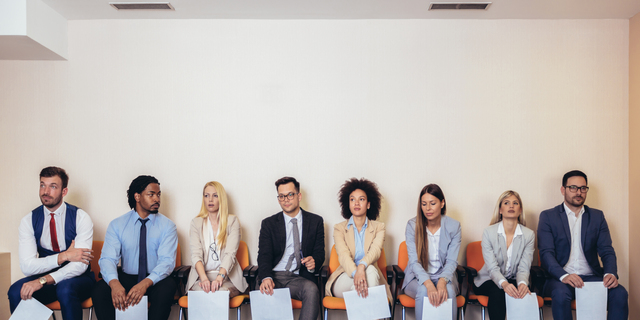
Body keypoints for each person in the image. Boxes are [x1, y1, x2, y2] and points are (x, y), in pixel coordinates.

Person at [538, 170, 628, 320]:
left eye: (583, 188)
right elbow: (546, 254)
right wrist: (564, 276)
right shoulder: (548, 216)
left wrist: (610, 273)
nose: (578, 192)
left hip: (591, 277)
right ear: (563, 190)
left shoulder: (597, 217)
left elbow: (606, 250)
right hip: (559, 280)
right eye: (573, 187)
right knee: (560, 294)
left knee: (620, 293)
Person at [8, 166, 95, 320]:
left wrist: (42, 280)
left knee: (65, 289)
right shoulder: (28, 220)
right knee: (16, 291)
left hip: (78, 279)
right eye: (42, 185)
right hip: (46, 278)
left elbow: (80, 265)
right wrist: (64, 256)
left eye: (53, 186)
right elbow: (27, 267)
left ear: (64, 191)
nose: (45, 191)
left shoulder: (81, 217)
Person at [92, 175, 178, 320]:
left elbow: (167, 262)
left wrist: (145, 283)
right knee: (100, 290)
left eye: (158, 194)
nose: (157, 199)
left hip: (153, 280)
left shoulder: (168, 226)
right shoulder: (117, 225)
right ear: (137, 197)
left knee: (167, 288)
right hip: (126, 278)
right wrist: (115, 284)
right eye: (151, 194)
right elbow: (107, 259)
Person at [257, 176, 325, 320]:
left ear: (299, 196)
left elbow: (319, 253)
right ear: (278, 199)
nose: (286, 199)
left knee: (312, 289)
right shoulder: (268, 224)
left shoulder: (315, 221)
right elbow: (264, 255)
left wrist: (314, 262)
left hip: (298, 277)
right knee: (262, 289)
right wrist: (266, 277)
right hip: (274, 275)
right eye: (282, 196)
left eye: (290, 195)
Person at [325, 178, 392, 302]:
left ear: (368, 204)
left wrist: (361, 266)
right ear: (348, 204)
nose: (356, 203)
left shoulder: (379, 227)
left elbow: (375, 251)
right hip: (345, 276)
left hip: (370, 276)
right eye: (352, 199)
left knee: (370, 271)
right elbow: (343, 255)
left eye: (361, 199)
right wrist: (356, 273)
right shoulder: (339, 228)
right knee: (369, 286)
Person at [473, 190, 535, 320]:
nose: (511, 206)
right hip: (488, 280)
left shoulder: (529, 235)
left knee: (524, 291)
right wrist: (504, 284)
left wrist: (523, 283)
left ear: (520, 210)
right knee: (498, 291)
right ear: (500, 210)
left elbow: (524, 267)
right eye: (506, 203)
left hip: (515, 279)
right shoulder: (488, 233)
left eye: (515, 203)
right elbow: (492, 268)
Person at [403, 184, 461, 320]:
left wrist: (441, 282)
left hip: (444, 276)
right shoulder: (412, 226)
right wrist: (428, 283)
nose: (428, 208)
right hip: (416, 277)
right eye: (424, 204)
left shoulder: (454, 226)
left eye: (432, 203)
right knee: (423, 291)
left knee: (449, 291)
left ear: (442, 203)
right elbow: (414, 261)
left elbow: (452, 261)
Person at [185, 181, 248, 296]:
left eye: (215, 195)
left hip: (228, 278)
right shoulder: (196, 223)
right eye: (206, 195)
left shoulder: (232, 221)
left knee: (219, 293)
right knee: (201, 293)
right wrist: (204, 279)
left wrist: (220, 278)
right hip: (201, 276)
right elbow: (196, 254)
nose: (210, 200)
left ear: (222, 198)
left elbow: (230, 254)